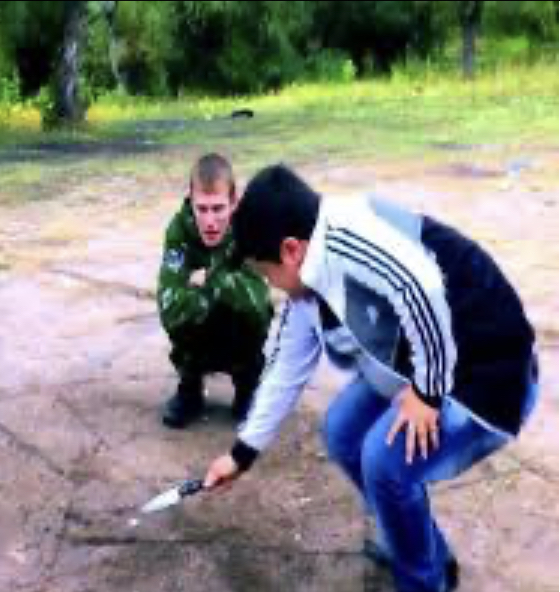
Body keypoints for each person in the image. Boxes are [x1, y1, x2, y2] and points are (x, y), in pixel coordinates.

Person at [204, 165, 538, 592]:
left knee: (384, 462)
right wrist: (241, 455)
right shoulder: (307, 278)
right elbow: (284, 369)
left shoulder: (348, 238)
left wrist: (428, 394)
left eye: (267, 274)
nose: (273, 286)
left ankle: (423, 582)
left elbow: (422, 287)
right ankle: (422, 549)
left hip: (492, 373)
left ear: (290, 250)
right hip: (425, 358)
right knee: (341, 431)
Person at [157, 153, 273, 429]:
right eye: (202, 208)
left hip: (240, 333)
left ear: (234, 202)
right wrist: (229, 285)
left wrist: (210, 278)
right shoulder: (179, 231)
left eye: (218, 208)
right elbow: (169, 309)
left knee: (249, 318)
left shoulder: (248, 229)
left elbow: (258, 306)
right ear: (191, 201)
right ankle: (190, 388)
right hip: (198, 332)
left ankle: (247, 388)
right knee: (185, 319)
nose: (210, 221)